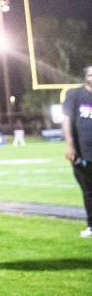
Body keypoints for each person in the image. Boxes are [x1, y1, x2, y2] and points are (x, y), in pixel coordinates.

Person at [62, 64, 92, 238]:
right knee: (88, 191)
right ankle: (91, 225)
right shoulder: (75, 95)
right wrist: (70, 145)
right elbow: (67, 120)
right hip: (83, 152)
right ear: (85, 76)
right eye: (90, 75)